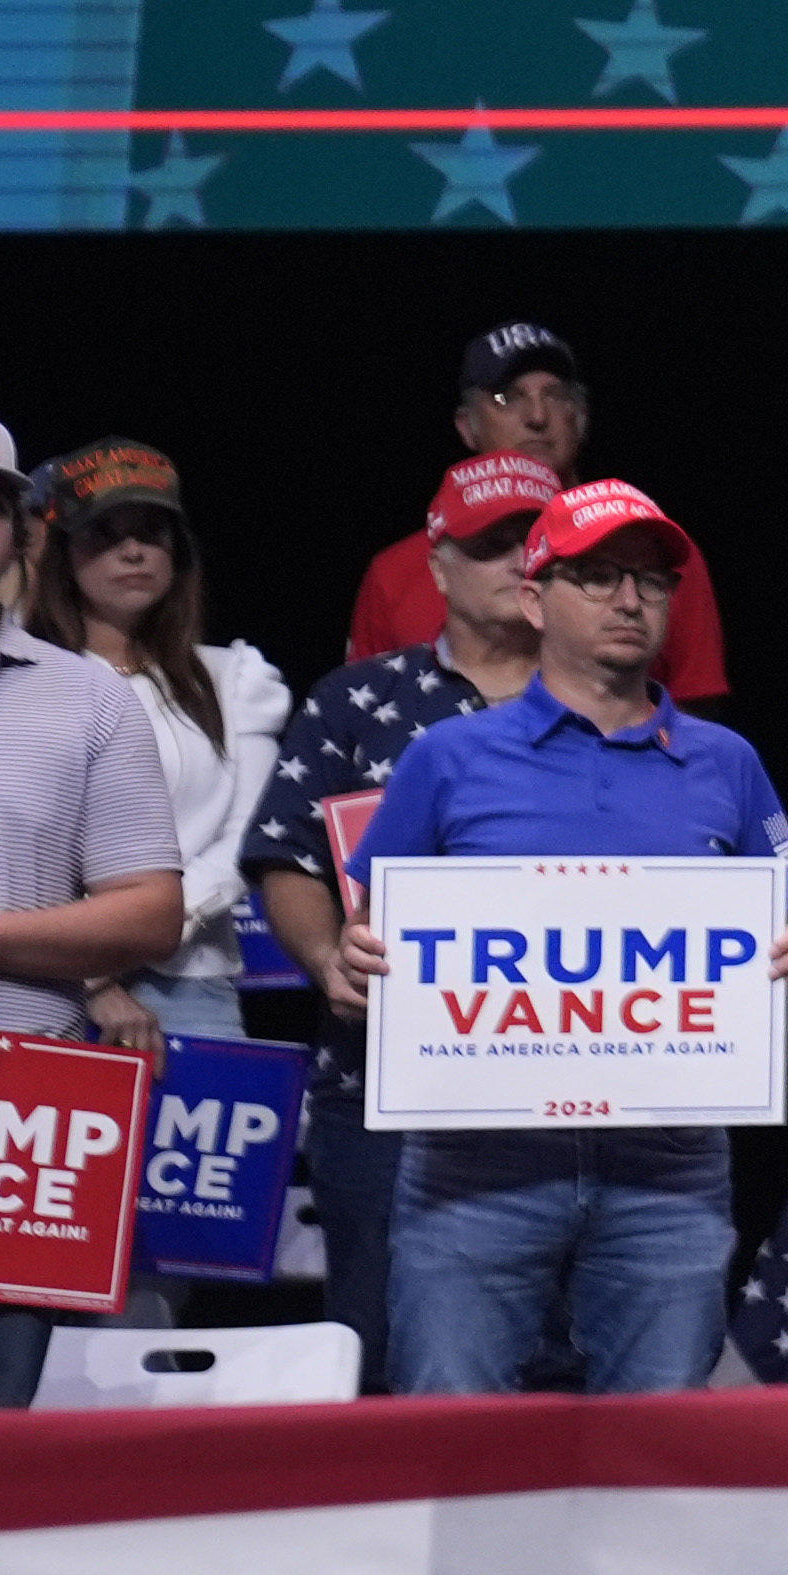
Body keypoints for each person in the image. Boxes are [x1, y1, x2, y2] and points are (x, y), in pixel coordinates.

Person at [340, 480, 788, 1398]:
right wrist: (348, 960)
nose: (630, 599)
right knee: (452, 1427)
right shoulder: (448, 757)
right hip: (479, 1156)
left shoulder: (728, 761)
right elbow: (370, 932)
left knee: (659, 1442)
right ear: (533, 596)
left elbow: (774, 932)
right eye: (597, 576)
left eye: (650, 579)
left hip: (666, 1161)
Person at [247, 453, 560, 1381]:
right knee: (380, 1346)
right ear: (437, 564)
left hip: (569, 1088)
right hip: (383, 1084)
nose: (513, 561)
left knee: (555, 1360)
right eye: (488, 543)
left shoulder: (614, 706)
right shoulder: (359, 699)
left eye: (530, 544)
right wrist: (323, 953)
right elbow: (289, 856)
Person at [0, 419, 190, 1408]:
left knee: (1, 1444)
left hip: (19, 1126)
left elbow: (151, 913)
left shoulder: (89, 699)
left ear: (20, 535)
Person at [24, 441, 291, 1053]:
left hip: (190, 983)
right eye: (105, 534)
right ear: (63, 552)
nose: (133, 550)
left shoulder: (233, 679)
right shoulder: (19, 679)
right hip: (37, 981)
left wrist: (129, 938)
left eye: (153, 532)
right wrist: (90, 977)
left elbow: (244, 838)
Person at [348, 324, 731, 705]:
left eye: (555, 395)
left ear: (580, 416)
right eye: (506, 398)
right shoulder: (393, 573)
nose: (536, 416)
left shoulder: (653, 552)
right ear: (466, 426)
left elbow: (698, 724)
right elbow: (360, 715)